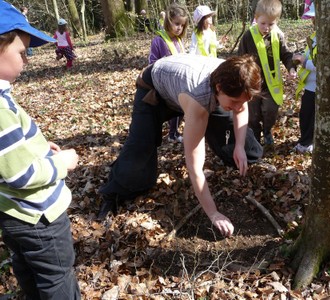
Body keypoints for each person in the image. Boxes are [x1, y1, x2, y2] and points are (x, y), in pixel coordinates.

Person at [98, 54, 263, 237]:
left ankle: (237, 153)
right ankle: (112, 194)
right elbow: (194, 167)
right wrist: (213, 213)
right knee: (139, 153)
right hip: (155, 90)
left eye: (243, 101)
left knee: (248, 150)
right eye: (234, 102)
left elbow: (241, 106)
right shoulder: (199, 100)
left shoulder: (236, 79)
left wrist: (239, 146)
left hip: (188, 88)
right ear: (219, 88)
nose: (239, 106)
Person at [0, 1, 81, 299]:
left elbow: (6, 151)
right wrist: (63, 163)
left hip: (13, 215)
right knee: (57, 278)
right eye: (22, 52)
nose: (27, 60)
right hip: (38, 216)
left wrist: (36, 145)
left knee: (29, 273)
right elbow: (21, 175)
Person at [238, 0, 296, 147]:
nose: (266, 28)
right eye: (263, 23)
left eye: (271, 24)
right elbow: (240, 59)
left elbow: (286, 54)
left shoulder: (278, 36)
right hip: (253, 84)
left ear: (276, 22)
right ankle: (255, 140)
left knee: (270, 111)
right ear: (256, 18)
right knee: (253, 115)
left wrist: (291, 67)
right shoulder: (248, 37)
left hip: (272, 85)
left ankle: (267, 130)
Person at [149, 3, 189, 143]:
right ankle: (168, 134)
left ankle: (174, 132)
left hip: (178, 82)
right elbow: (152, 62)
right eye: (177, 23)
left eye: (182, 25)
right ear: (168, 21)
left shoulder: (179, 40)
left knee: (181, 109)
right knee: (168, 110)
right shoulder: (158, 41)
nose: (179, 28)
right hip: (164, 83)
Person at [292, 2, 316, 153]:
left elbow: (324, 65)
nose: (313, 22)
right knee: (305, 115)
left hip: (318, 86)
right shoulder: (314, 36)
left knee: (312, 117)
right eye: (312, 18)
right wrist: (299, 58)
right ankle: (305, 141)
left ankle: (308, 143)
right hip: (309, 85)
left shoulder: (327, 38)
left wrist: (304, 61)